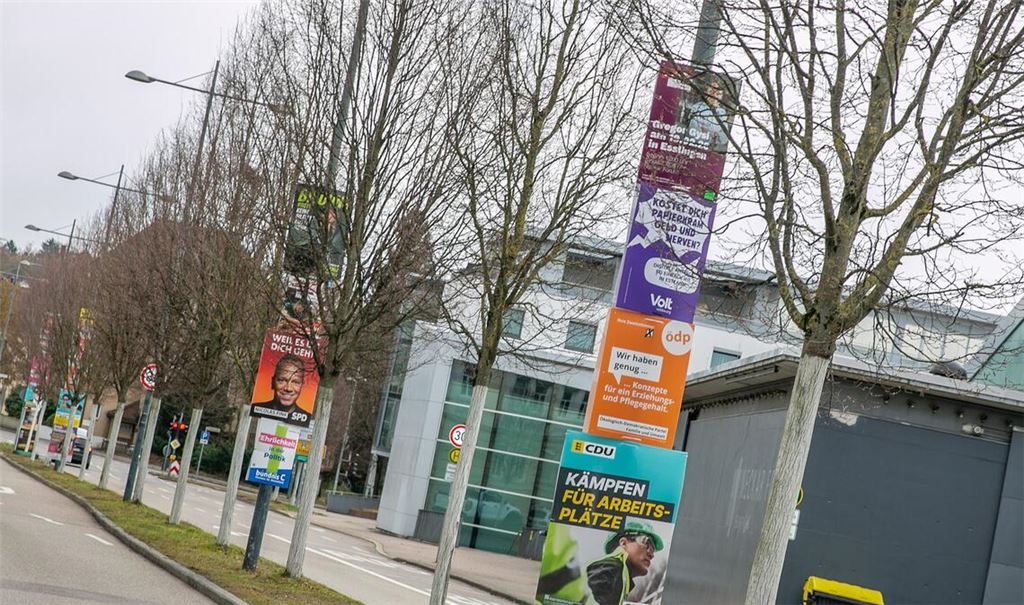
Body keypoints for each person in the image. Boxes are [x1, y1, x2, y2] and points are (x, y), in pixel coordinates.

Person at [586, 521, 664, 605]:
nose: (651, 554)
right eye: (646, 543)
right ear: (623, 543)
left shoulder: (617, 575)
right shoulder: (609, 569)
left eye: (652, 549)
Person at [252, 354, 308, 423]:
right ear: (272, 382)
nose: (288, 388)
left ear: (302, 385)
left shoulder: (306, 419)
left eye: (295, 382)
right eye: (282, 380)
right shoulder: (255, 411)